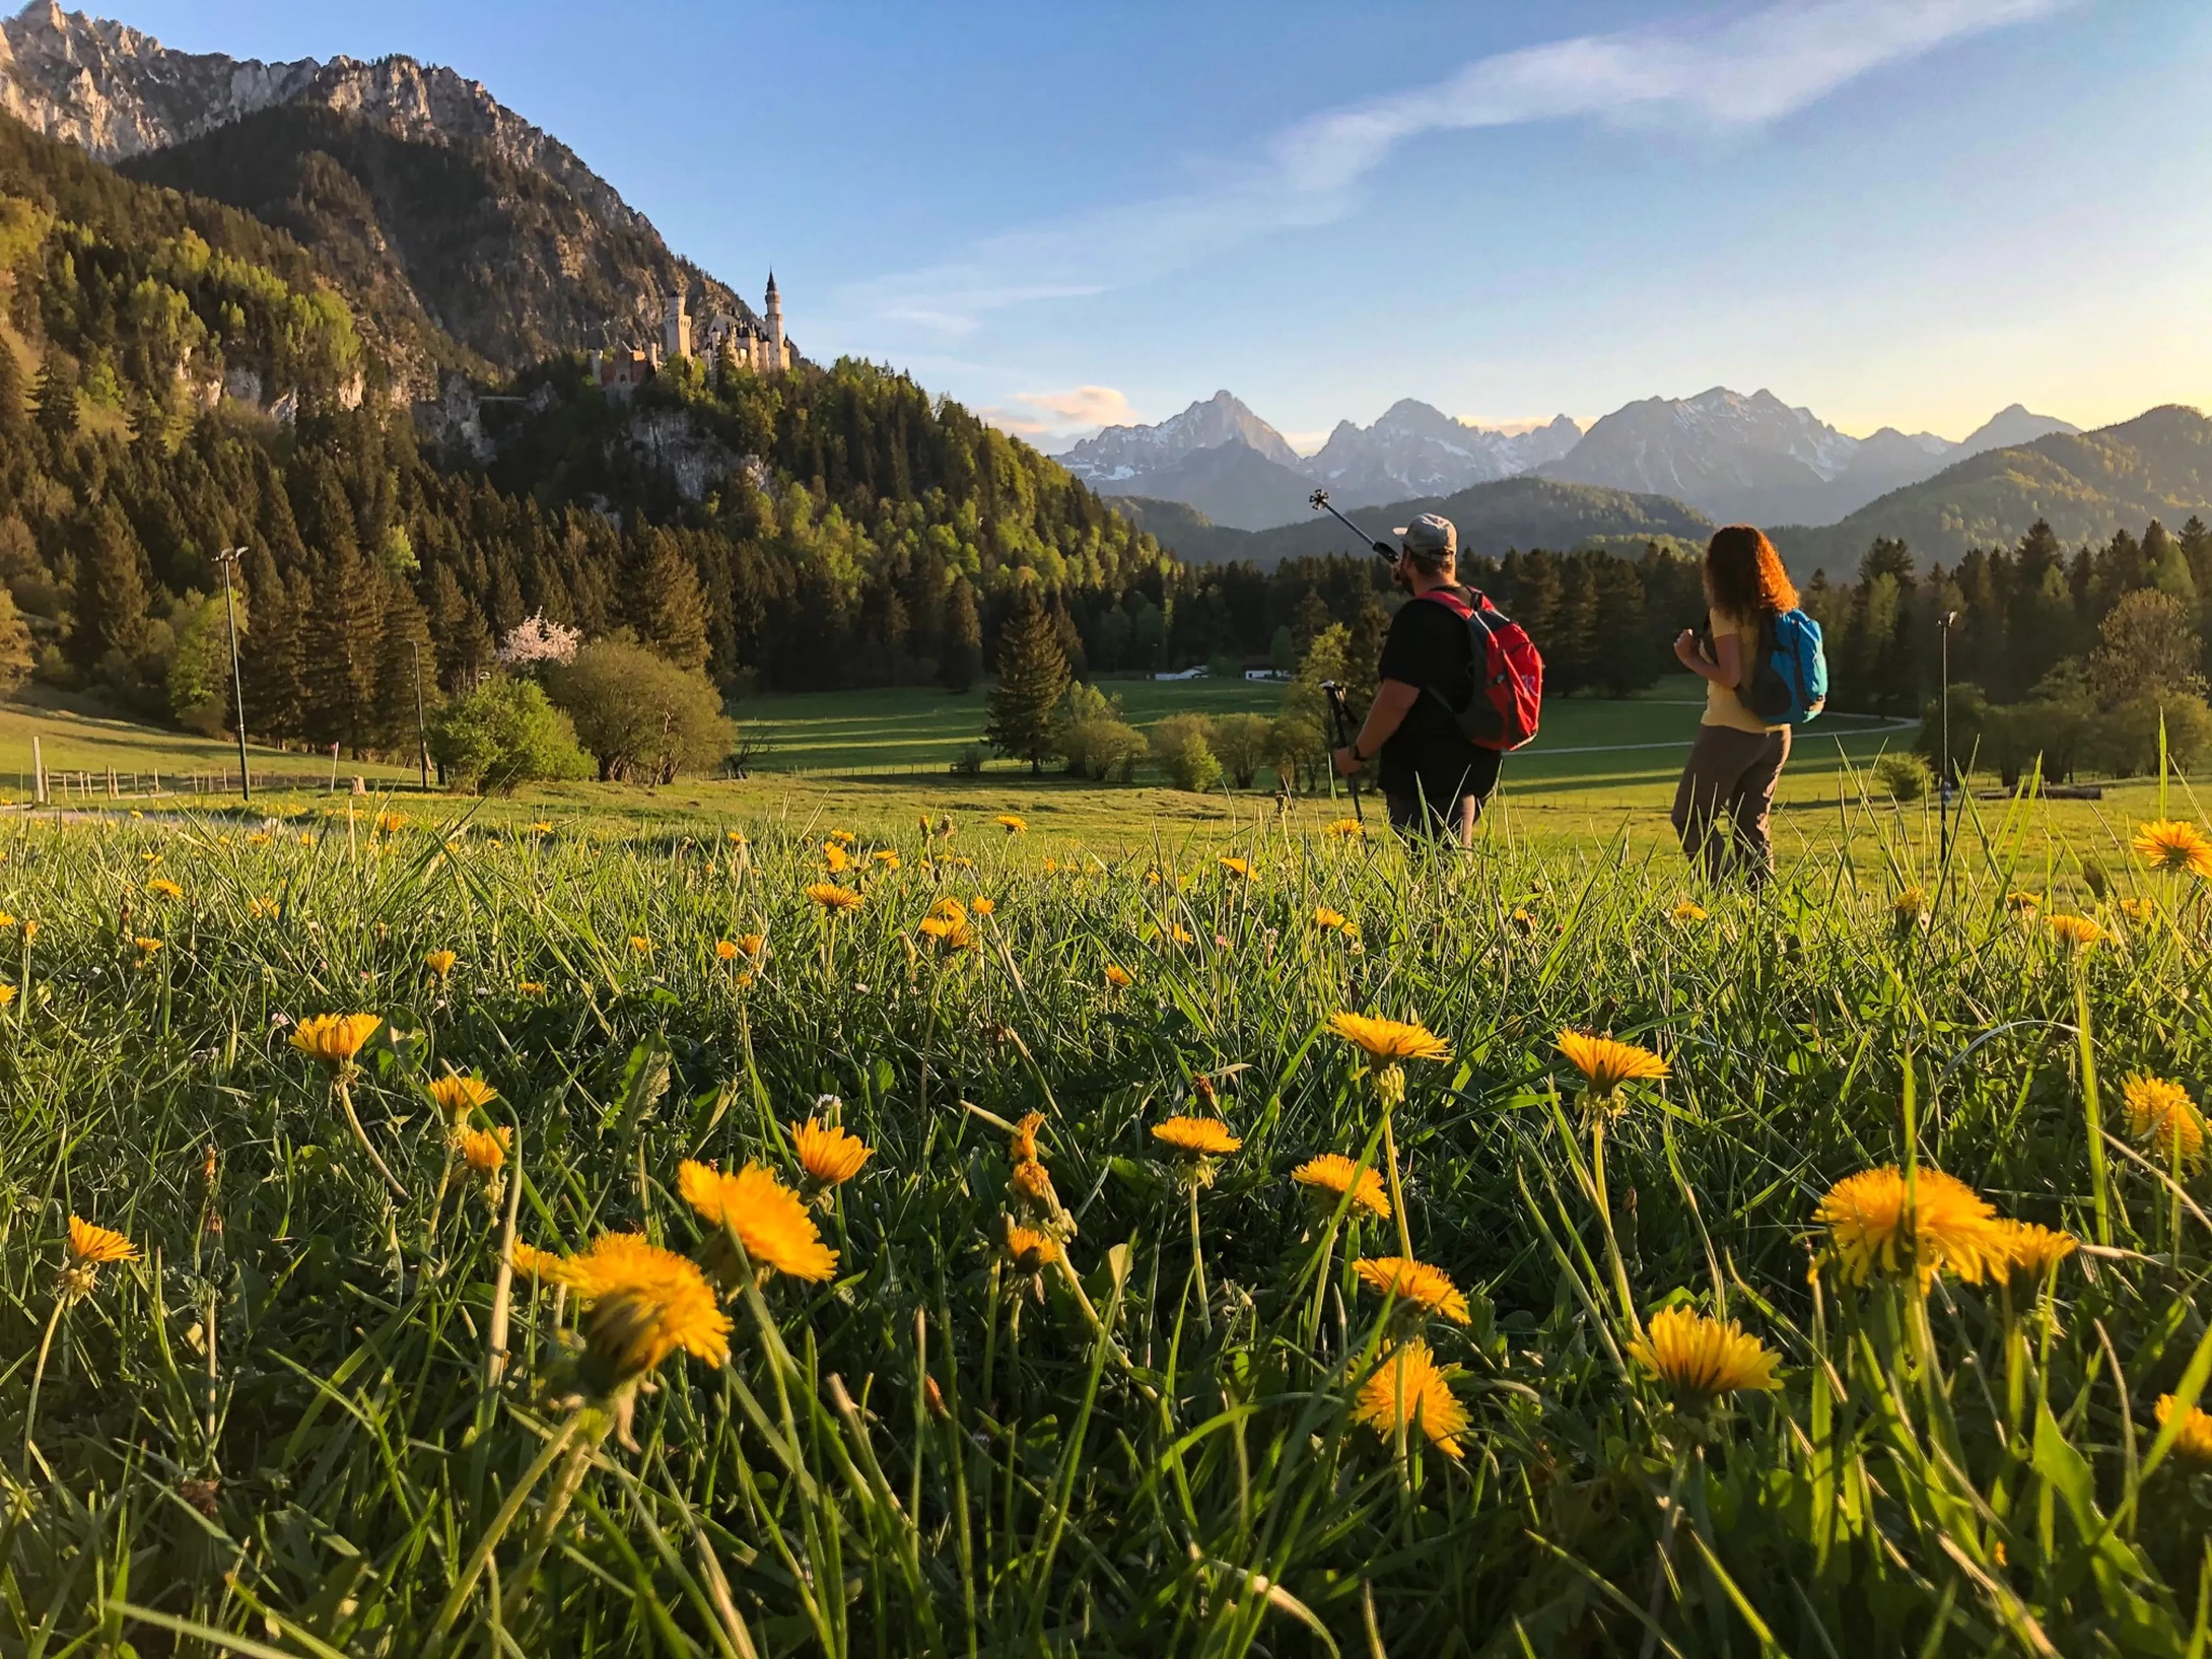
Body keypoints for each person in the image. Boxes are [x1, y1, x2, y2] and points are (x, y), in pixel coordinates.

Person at [1331, 513, 1501, 846]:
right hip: (1476, 766)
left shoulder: (1417, 618)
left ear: (1408, 559)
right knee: (1449, 870)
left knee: (1436, 876)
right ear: (1450, 557)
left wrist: (1358, 754)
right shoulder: (1476, 604)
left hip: (1428, 774)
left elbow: (1395, 701)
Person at [1670, 524, 1796, 884]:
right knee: (1751, 826)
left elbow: (1731, 677)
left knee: (1691, 818)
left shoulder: (1726, 614)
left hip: (1731, 730)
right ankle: (1763, 913)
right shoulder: (1778, 610)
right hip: (1777, 732)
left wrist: (1688, 657)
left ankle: (1726, 901)